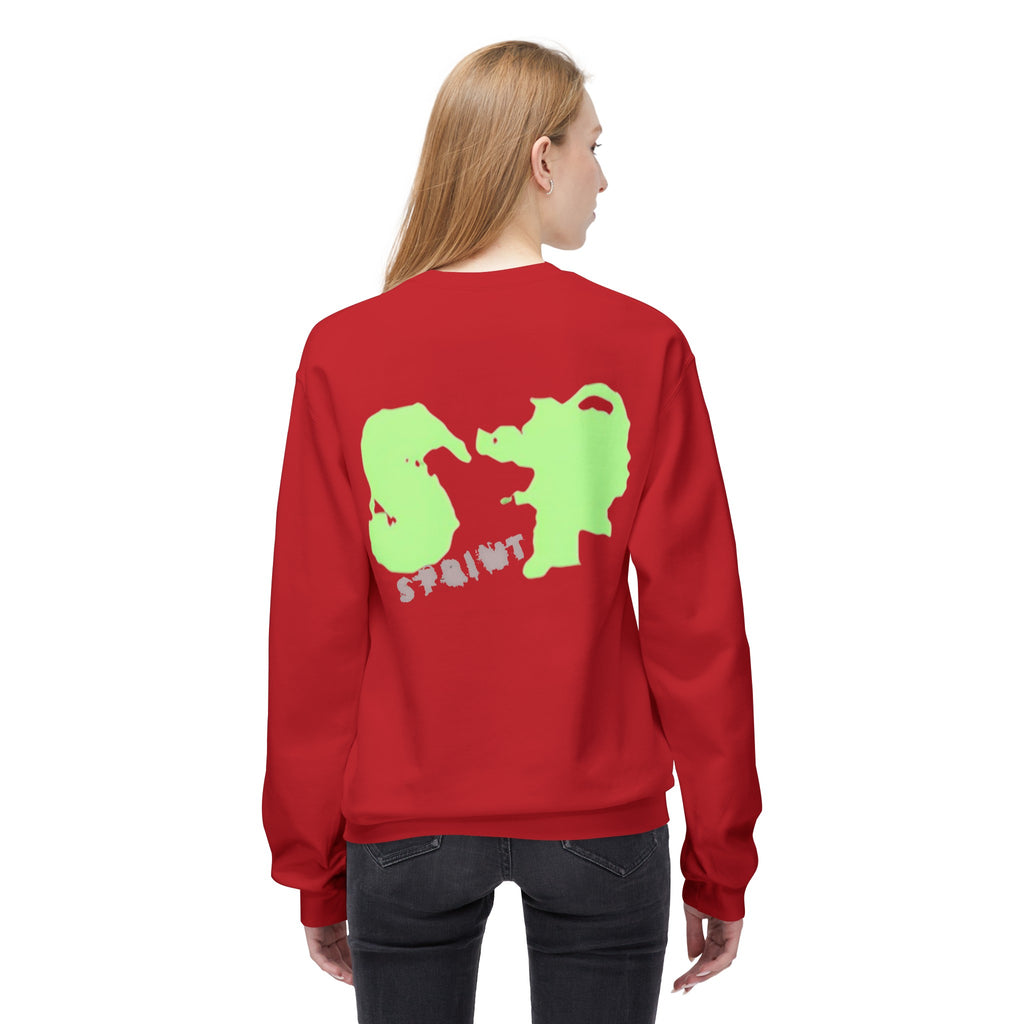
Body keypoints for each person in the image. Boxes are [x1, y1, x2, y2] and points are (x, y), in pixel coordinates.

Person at [262, 39, 762, 1024]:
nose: (601, 178)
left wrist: (314, 866)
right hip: (599, 822)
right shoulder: (641, 345)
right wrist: (720, 860)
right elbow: (697, 627)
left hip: (403, 829)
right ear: (541, 159)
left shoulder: (343, 352)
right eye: (591, 147)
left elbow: (314, 632)